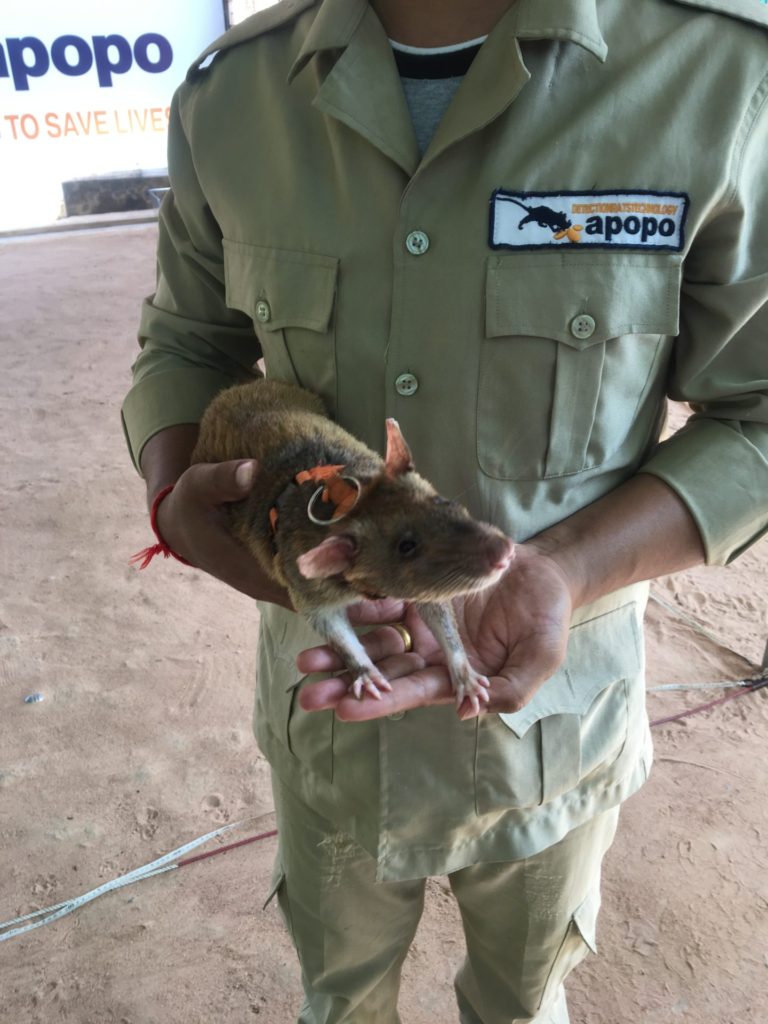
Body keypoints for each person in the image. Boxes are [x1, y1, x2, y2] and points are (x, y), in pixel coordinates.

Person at [122, 0, 768, 1020]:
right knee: (342, 997)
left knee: (523, 1002)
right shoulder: (234, 94)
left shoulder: (722, 76)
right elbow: (187, 347)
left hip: (553, 734)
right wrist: (176, 492)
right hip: (325, 717)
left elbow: (760, 415)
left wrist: (564, 570)